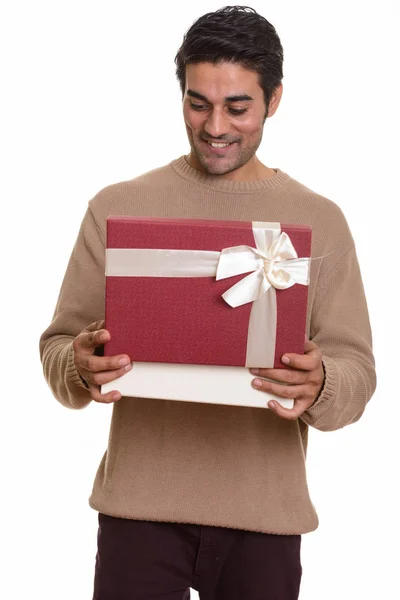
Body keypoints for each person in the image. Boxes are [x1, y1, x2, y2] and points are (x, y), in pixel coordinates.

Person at [39, 6, 376, 600]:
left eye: (238, 107)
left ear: (274, 101)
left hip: (265, 519)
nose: (215, 125)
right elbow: (59, 350)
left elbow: (356, 376)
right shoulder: (119, 205)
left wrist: (320, 381)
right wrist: (79, 363)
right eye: (198, 103)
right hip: (138, 513)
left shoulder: (321, 220)